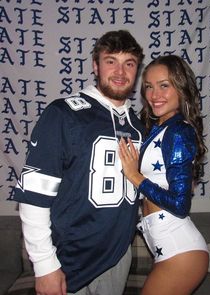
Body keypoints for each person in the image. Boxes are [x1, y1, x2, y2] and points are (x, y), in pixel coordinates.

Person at [12, 30, 145, 295]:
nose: (120, 72)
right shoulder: (63, 113)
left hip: (118, 257)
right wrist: (45, 264)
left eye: (129, 63)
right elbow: (33, 195)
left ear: (137, 70)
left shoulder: (139, 126)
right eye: (111, 61)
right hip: (67, 259)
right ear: (95, 66)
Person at [118, 55, 209, 295]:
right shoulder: (160, 128)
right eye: (148, 86)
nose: (154, 94)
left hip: (181, 254)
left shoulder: (178, 131)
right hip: (170, 250)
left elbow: (180, 204)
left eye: (164, 85)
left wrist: (135, 176)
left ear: (181, 87)